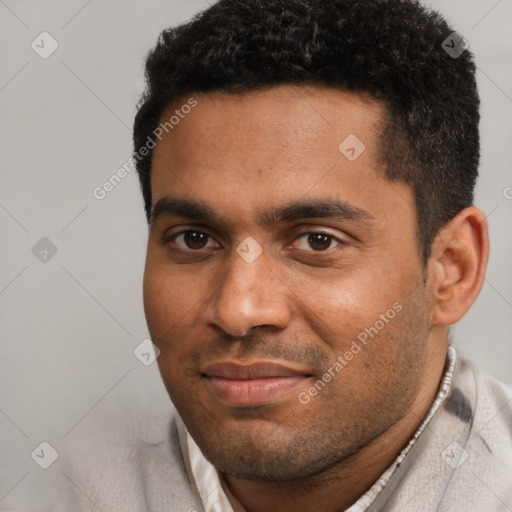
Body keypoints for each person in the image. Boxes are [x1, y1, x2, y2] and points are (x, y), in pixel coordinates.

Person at [41, 0, 512, 510]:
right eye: (194, 239)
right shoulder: (56, 487)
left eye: (317, 241)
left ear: (451, 271)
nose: (237, 310)